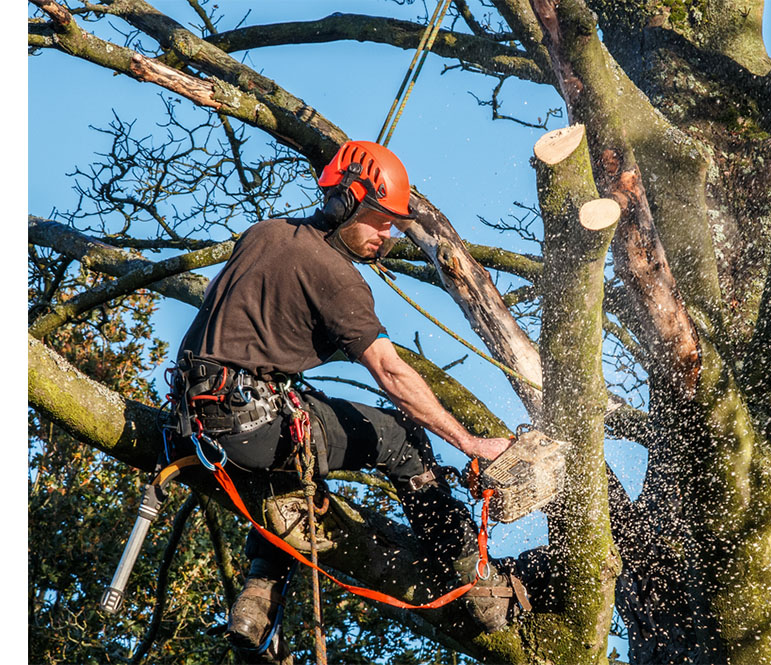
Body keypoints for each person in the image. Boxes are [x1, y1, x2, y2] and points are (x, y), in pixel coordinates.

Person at [169, 140, 529, 662]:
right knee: (401, 437)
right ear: (345, 204)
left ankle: (258, 595)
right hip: (250, 425)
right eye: (380, 222)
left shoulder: (263, 234)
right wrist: (469, 442)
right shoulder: (338, 279)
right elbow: (389, 370)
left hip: (193, 420)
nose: (386, 236)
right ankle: (472, 579)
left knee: (297, 451)